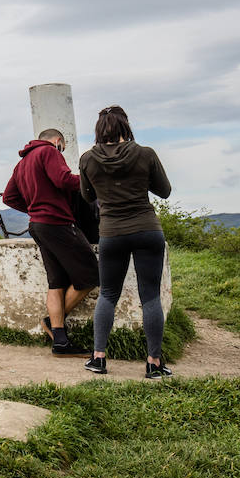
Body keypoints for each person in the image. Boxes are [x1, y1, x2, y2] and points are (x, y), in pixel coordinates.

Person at [79, 106, 173, 378]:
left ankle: (98, 359)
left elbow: (86, 196)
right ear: (125, 126)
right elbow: (164, 191)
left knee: (108, 294)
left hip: (111, 233)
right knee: (151, 296)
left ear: (99, 130)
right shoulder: (145, 154)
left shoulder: (87, 159)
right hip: (147, 229)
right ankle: (153, 363)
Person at [2, 128, 97, 356]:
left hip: (38, 225)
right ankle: (51, 321)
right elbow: (63, 179)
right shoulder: (50, 152)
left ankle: (60, 341)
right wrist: (91, 183)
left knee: (57, 282)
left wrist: (35, 209)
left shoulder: (22, 163)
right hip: (58, 223)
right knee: (92, 276)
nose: (62, 151)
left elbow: (9, 197)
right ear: (57, 141)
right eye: (63, 146)